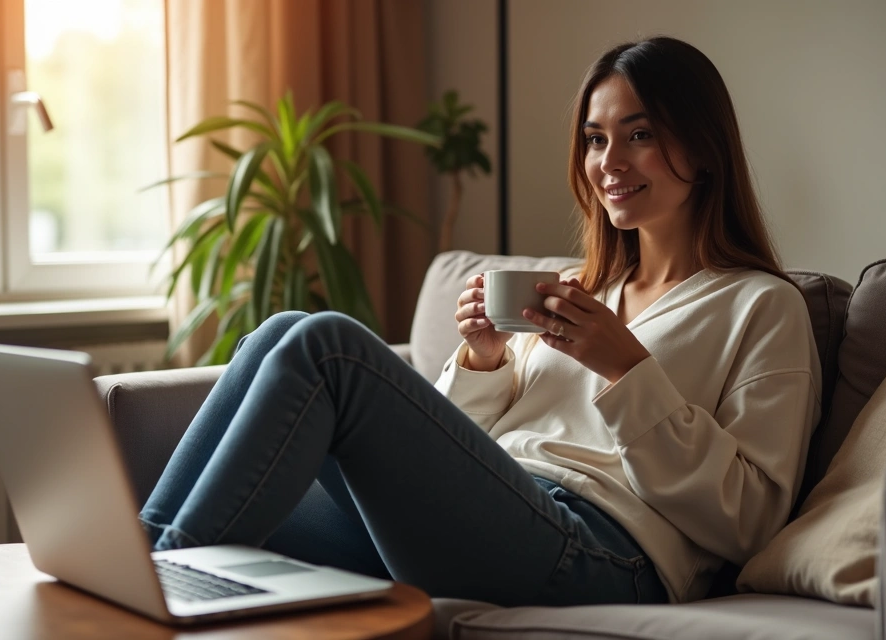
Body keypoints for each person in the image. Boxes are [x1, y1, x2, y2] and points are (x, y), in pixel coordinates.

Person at [139, 36, 820, 606]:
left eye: (639, 135)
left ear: (701, 149)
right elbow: (467, 443)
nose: (609, 163)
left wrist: (626, 368)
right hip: (502, 512)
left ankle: (146, 598)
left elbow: (752, 520)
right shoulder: (582, 290)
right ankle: (138, 566)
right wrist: (485, 361)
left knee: (328, 350)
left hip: (605, 554)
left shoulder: (761, 306)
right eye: (594, 139)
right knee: (275, 333)